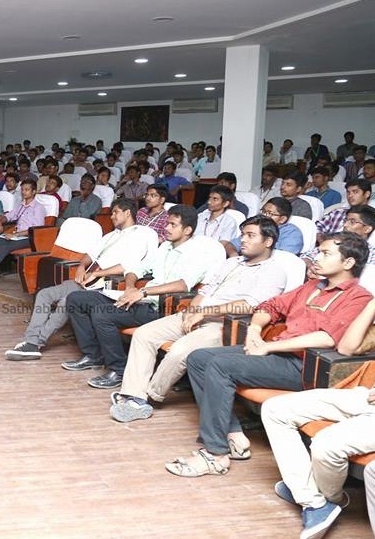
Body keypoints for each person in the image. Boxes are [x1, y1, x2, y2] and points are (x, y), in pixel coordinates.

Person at [165, 232, 373, 478]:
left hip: (306, 366)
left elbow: (328, 338)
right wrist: (254, 329)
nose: (317, 258)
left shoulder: (358, 297)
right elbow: (270, 306)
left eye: (326, 253)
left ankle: (215, 455)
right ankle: (232, 434)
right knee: (199, 358)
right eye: (319, 251)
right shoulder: (311, 287)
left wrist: (267, 347)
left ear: (348, 263)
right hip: (277, 353)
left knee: (220, 365)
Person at [110, 216, 286, 422]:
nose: (243, 240)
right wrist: (193, 311)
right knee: (144, 334)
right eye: (242, 235)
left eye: (250, 235)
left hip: (226, 325)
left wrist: (204, 312)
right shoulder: (232, 262)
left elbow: (249, 305)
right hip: (197, 315)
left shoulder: (274, 272)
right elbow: (207, 289)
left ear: (268, 241)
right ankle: (134, 394)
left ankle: (148, 397)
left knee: (179, 351)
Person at [260, 299, 375, 539]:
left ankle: (318, 500)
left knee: (326, 443)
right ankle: (315, 499)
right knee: (275, 409)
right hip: (368, 397)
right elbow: (347, 347)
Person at [62, 205, 210, 389]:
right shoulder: (165, 247)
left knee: (102, 314)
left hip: (161, 307)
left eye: (173, 225)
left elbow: (183, 284)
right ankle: (93, 356)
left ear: (187, 230)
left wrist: (143, 292)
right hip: (140, 298)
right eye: (167, 223)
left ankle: (120, 370)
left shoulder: (198, 252)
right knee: (77, 299)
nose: (167, 228)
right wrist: (131, 287)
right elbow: (136, 269)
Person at [4, 198, 156, 361]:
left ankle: (36, 344)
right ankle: (31, 339)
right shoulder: (111, 235)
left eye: (115, 212)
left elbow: (130, 265)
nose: (111, 216)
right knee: (44, 294)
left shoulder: (142, 234)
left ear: (127, 213)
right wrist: (82, 267)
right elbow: (89, 255)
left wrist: (97, 273)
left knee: (67, 300)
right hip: (88, 280)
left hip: (107, 283)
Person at [0, 180, 46, 285]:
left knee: (4, 248)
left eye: (27, 190)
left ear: (34, 191)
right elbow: (8, 216)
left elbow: (36, 229)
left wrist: (15, 235)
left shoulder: (38, 208)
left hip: (30, 238)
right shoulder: (21, 205)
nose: (23, 192)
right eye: (22, 190)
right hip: (16, 236)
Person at [222, 197, 304, 256]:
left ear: (282, 219)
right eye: (263, 211)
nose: (264, 215)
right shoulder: (256, 227)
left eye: (269, 213)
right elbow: (231, 245)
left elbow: (284, 257)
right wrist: (234, 257)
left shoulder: (291, 233)